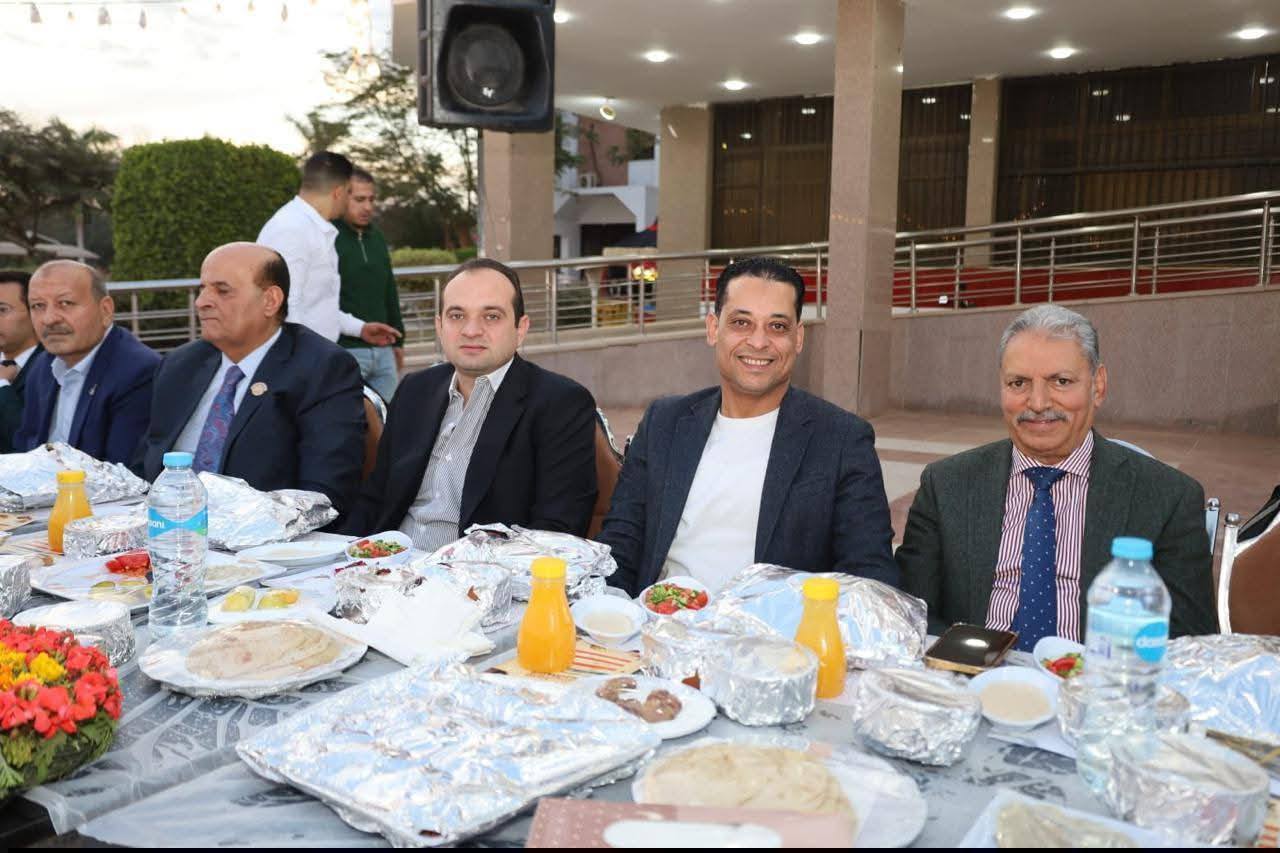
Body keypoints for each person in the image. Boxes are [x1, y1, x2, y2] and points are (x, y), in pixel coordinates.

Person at [895, 304, 1216, 645]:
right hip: (972, 672)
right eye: (1018, 383)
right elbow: (911, 613)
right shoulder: (946, 486)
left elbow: (1190, 641)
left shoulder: (1167, 499)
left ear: (1098, 386)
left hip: (1101, 673)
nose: (1037, 402)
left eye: (1061, 381)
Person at [597, 256, 899, 597]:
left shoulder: (842, 440)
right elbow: (619, 547)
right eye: (741, 323)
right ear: (713, 329)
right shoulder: (664, 423)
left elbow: (871, 579)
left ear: (798, 338)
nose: (758, 342)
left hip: (778, 628)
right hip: (660, 618)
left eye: (777, 326)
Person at [343, 258, 598, 547]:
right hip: (389, 562)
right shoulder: (415, 390)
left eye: (491, 316)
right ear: (439, 326)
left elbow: (556, 529)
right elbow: (375, 498)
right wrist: (339, 555)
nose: (471, 330)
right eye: (457, 315)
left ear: (521, 328)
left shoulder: (560, 404)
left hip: (482, 571)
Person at [134, 243, 366, 516]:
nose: (201, 302)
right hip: (165, 528)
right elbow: (143, 466)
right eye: (202, 289)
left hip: (264, 535)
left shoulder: (321, 369)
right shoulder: (180, 365)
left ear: (270, 300)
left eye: (222, 291)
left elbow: (324, 493)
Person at [15, 260, 158, 463]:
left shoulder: (138, 372)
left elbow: (124, 471)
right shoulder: (42, 366)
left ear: (105, 310)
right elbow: (25, 446)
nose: (49, 319)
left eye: (65, 303)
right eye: (38, 306)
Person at [257, 151, 401, 349]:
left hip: (316, 354)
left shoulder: (314, 228)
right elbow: (284, 309)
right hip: (302, 358)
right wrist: (301, 361)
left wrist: (360, 329)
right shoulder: (290, 229)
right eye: (349, 192)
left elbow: (318, 306)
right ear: (338, 192)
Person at [335, 167, 405, 403]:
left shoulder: (377, 239)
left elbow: (389, 291)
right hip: (345, 350)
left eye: (371, 200)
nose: (367, 207)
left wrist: (399, 342)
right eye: (359, 199)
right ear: (341, 197)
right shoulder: (327, 238)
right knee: (349, 421)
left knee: (388, 420)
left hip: (384, 351)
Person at [0, 270, 42, 453]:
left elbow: (31, 443)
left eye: (2, 310)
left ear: (34, 313)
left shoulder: (54, 367)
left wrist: (2, 385)